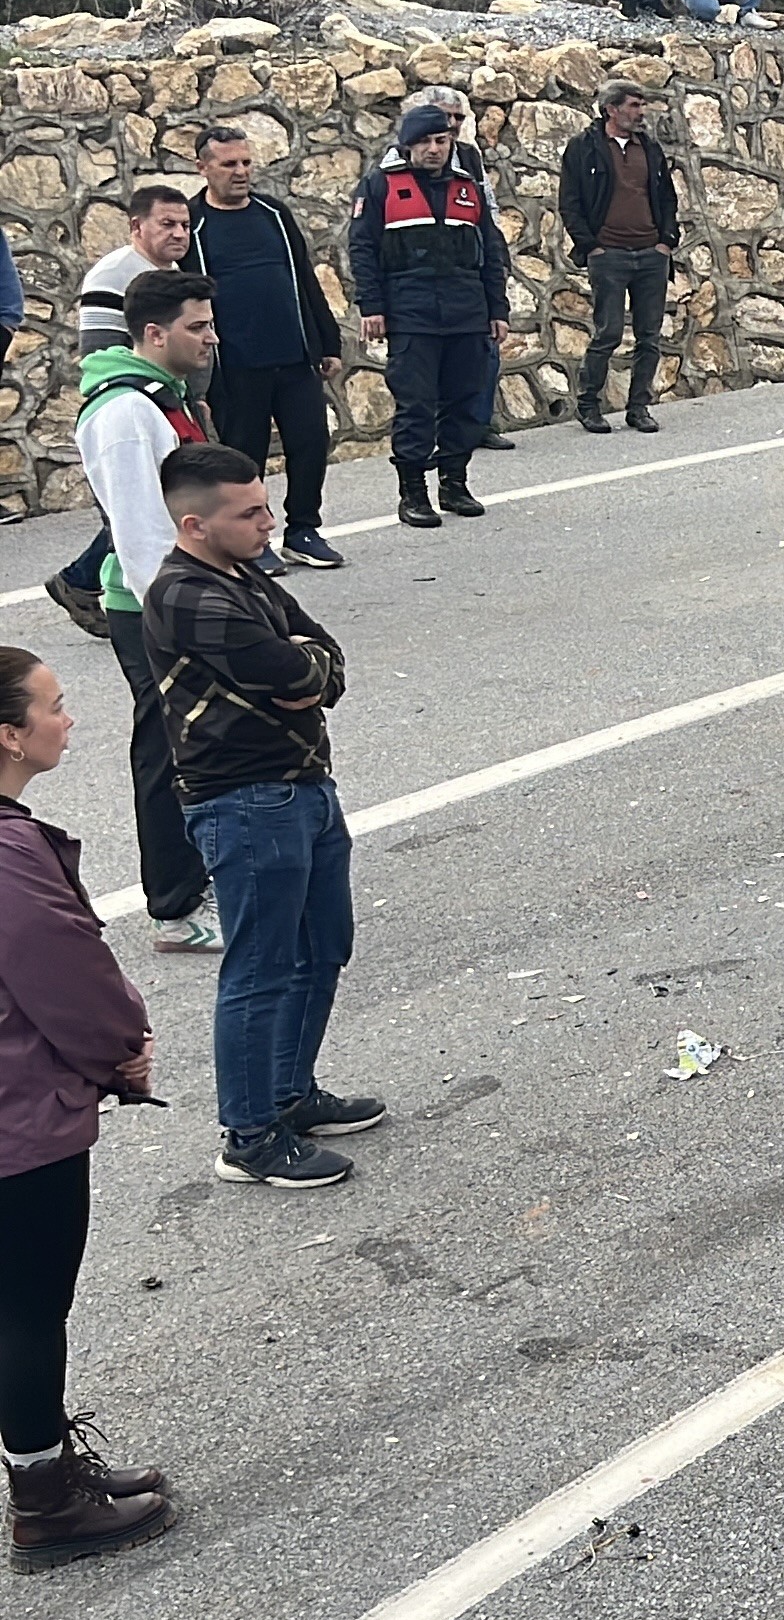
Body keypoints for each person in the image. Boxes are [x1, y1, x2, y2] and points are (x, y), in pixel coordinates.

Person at [142, 441, 380, 1189]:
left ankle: (290, 1094)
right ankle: (248, 1134)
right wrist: (304, 665)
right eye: (248, 514)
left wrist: (309, 666)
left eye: (266, 506)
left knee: (322, 947)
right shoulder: (183, 594)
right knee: (262, 967)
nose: (267, 523)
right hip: (245, 801)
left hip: (304, 787)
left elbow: (327, 659)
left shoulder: (245, 573)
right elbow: (289, 667)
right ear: (194, 523)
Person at [0, 644, 174, 1569]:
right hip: (15, 1121)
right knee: (28, 1308)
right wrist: (122, 1057)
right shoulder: (6, 853)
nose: (69, 719)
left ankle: (48, 1464)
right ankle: (44, 1501)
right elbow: (65, 974)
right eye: (55, 706)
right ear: (9, 734)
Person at [72, 271, 219, 955]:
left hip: (184, 595)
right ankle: (173, 906)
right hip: (155, 606)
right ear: (153, 334)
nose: (210, 337)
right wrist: (185, 615)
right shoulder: (126, 414)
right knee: (166, 751)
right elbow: (139, 532)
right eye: (197, 326)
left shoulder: (161, 397)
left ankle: (196, 878)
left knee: (198, 744)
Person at [181, 127, 347, 574]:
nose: (241, 172)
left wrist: (325, 341)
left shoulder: (274, 213)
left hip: (294, 356)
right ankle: (252, 542)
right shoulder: (194, 225)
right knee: (243, 458)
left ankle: (304, 531)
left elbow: (305, 279)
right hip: (236, 367)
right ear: (203, 168)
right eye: (229, 164)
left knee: (311, 443)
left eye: (246, 163)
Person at [348, 105, 510, 529]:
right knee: (416, 406)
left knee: (466, 404)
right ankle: (413, 492)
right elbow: (362, 250)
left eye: (442, 141)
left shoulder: (467, 186)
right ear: (408, 145)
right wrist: (372, 306)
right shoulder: (381, 185)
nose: (435, 149)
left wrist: (498, 309)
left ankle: (454, 483)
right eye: (425, 142)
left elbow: (491, 252)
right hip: (411, 312)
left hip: (467, 311)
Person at [43, 188, 197, 633]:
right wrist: (146, 397)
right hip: (139, 403)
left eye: (184, 225)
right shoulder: (112, 275)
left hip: (172, 399)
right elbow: (101, 351)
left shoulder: (170, 272)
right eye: (166, 224)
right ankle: (97, 587)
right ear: (137, 227)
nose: (178, 234)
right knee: (133, 508)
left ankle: (88, 581)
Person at [558, 80, 678, 437]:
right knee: (607, 333)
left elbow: (667, 198)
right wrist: (590, 244)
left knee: (649, 336)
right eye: (633, 105)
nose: (641, 113)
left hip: (651, 254)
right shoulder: (584, 148)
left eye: (642, 105)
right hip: (608, 254)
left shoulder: (650, 149)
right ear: (611, 109)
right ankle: (589, 404)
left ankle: (638, 407)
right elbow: (570, 202)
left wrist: (666, 241)